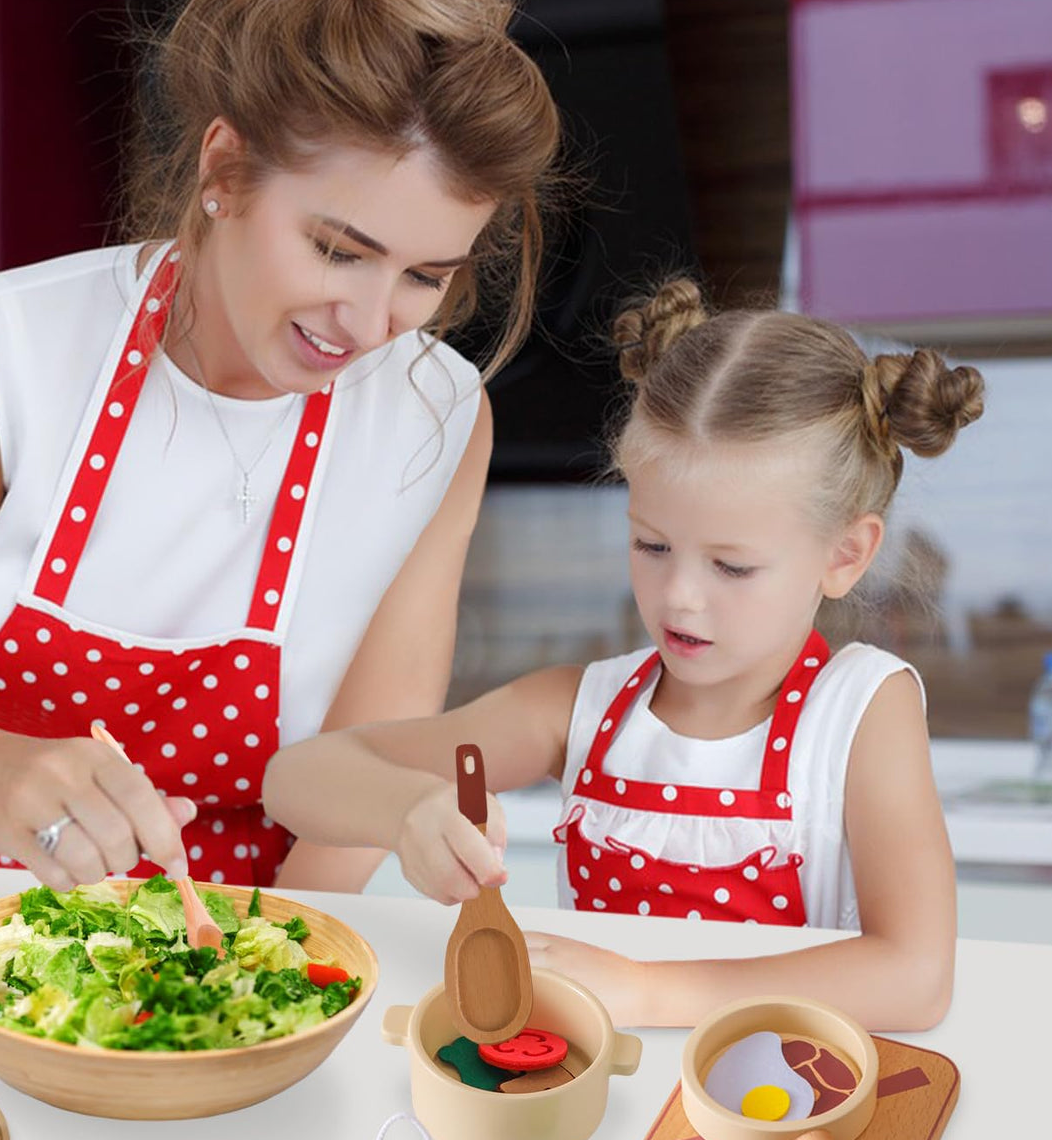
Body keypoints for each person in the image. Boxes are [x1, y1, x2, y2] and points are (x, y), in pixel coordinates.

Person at [0, 0, 561, 895]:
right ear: (225, 170)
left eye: (424, 276)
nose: (370, 325)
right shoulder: (21, 338)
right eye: (336, 250)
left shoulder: (435, 418)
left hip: (248, 939)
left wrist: (259, 1006)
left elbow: (365, 765)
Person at [263, 279, 986, 1030]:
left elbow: (916, 977)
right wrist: (406, 811)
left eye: (731, 567)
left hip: (778, 1103)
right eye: (652, 545)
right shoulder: (579, 709)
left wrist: (647, 990)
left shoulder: (860, 711)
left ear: (846, 554)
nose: (680, 597)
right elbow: (295, 779)